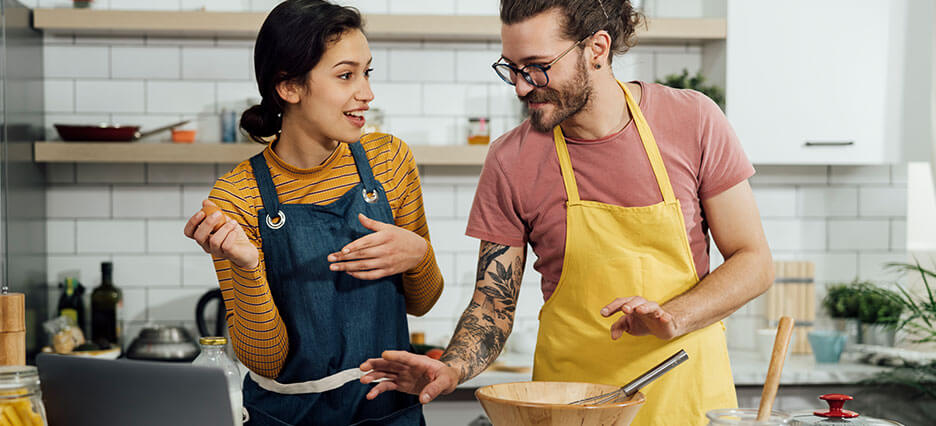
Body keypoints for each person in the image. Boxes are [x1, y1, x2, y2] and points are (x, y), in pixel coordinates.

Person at [359, 1, 773, 424]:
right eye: (512, 68)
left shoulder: (692, 120)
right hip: (568, 412)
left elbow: (753, 260)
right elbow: (492, 306)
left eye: (537, 67)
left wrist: (675, 317)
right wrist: (450, 368)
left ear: (596, 49)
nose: (521, 87)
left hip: (688, 401)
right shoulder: (511, 159)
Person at [182, 1, 443, 424]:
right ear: (289, 86)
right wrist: (247, 267)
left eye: (366, 72)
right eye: (345, 75)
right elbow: (266, 361)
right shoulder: (237, 197)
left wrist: (418, 254)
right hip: (288, 416)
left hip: (389, 411)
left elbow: (422, 302)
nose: (367, 93)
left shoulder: (390, 162)